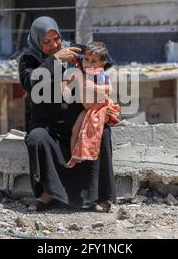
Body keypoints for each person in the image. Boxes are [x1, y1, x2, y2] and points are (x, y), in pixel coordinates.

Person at [18, 16, 116, 213]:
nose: (55, 44)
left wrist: (87, 63)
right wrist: (54, 60)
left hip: (79, 123)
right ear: (37, 41)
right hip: (48, 126)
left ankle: (100, 197)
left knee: (103, 132)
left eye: (57, 39)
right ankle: (47, 194)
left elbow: (107, 61)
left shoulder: (76, 50)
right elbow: (29, 83)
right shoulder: (29, 59)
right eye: (47, 42)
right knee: (36, 138)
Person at [63, 42, 121, 168]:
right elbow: (68, 77)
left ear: (102, 64)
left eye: (93, 61)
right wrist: (65, 86)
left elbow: (108, 90)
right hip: (87, 109)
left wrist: (94, 87)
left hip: (100, 107)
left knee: (93, 130)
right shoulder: (79, 73)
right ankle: (75, 156)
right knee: (75, 130)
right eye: (86, 59)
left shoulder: (101, 75)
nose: (88, 64)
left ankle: (89, 152)